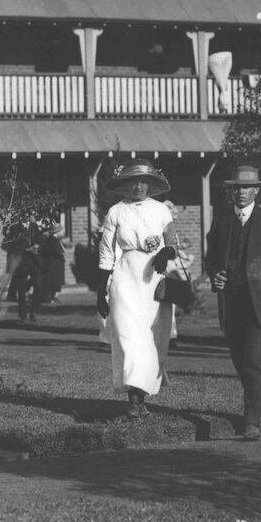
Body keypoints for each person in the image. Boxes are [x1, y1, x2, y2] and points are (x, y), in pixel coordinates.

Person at [206, 166, 261, 440]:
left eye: (246, 188)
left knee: (255, 361)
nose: (241, 192)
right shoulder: (222, 219)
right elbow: (211, 258)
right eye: (236, 188)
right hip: (232, 303)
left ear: (256, 190)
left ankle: (251, 422)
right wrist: (215, 276)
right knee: (240, 361)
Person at [96, 161, 178, 420]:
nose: (139, 187)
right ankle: (133, 402)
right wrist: (101, 290)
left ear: (151, 184)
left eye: (144, 182)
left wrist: (166, 252)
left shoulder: (161, 211)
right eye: (134, 182)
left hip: (155, 281)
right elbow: (107, 252)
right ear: (125, 184)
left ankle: (141, 398)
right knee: (129, 337)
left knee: (151, 340)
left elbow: (173, 241)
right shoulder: (116, 212)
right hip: (125, 278)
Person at [40, 223, 67, 304]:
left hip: (50, 263)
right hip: (54, 264)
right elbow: (57, 251)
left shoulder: (50, 239)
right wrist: (62, 255)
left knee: (51, 280)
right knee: (54, 280)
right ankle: (52, 297)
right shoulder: (54, 240)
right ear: (57, 232)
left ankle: (50, 297)